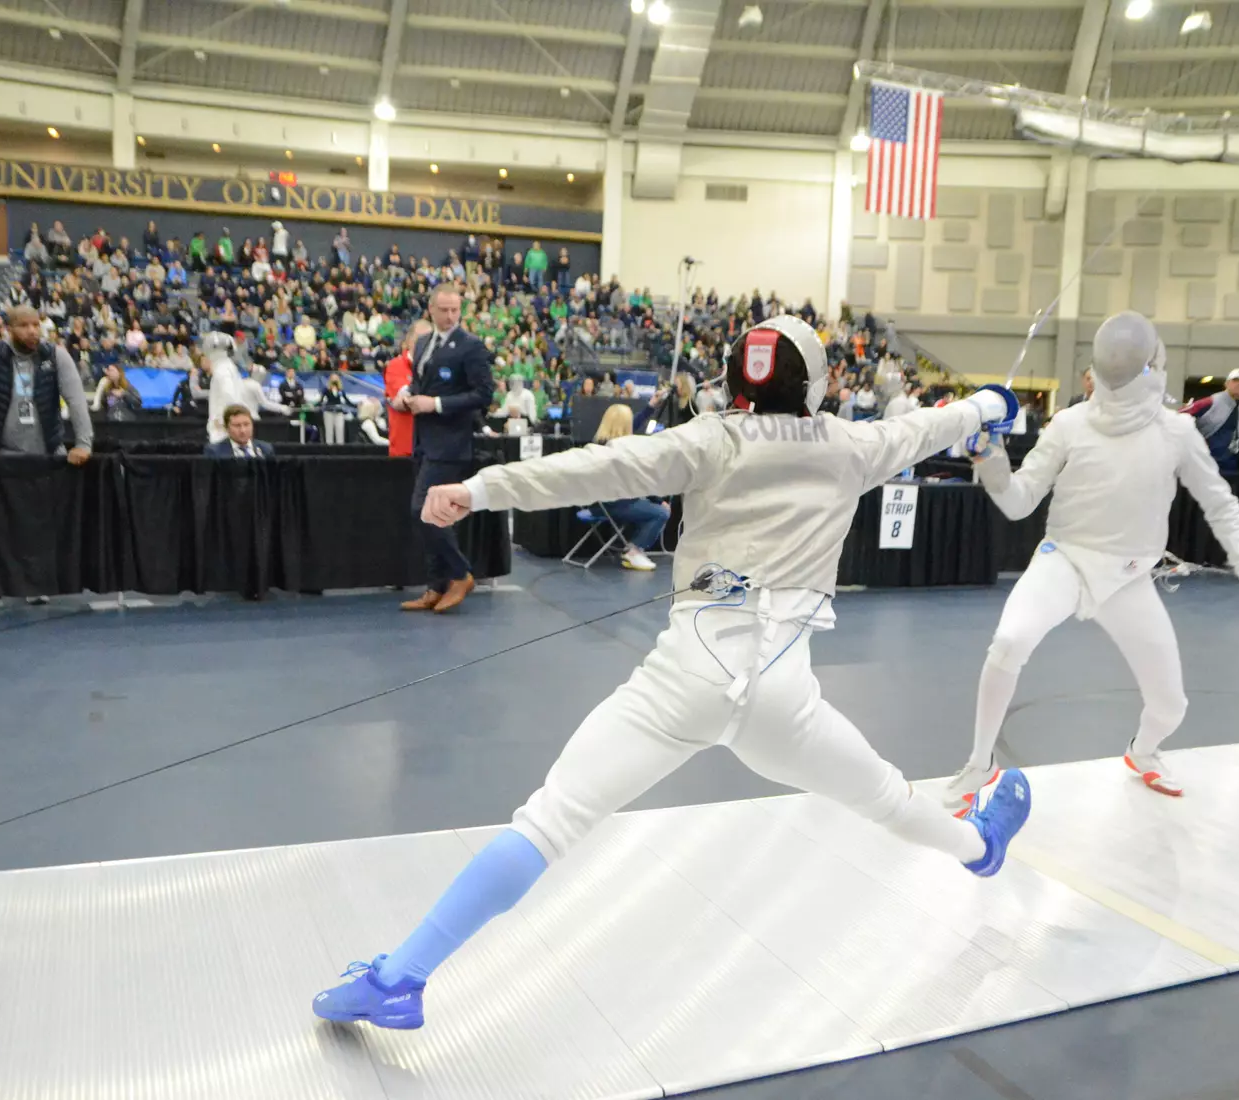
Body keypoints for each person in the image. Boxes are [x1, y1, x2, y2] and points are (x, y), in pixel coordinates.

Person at [312, 315, 1033, 1030]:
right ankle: (979, 848)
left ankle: (400, 977)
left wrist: (478, 490)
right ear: (813, 383)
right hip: (783, 701)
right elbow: (947, 421)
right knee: (885, 796)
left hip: (682, 681)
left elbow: (595, 467)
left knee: (549, 822)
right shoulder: (854, 444)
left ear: (735, 378)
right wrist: (992, 406)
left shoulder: (709, 440)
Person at [943, 313, 1239, 810]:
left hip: (1128, 578)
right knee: (1010, 641)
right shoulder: (1069, 424)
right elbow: (1019, 503)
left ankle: (1143, 752)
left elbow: (1220, 502)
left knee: (1171, 705)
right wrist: (993, 461)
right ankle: (979, 765)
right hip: (1064, 560)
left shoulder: (1177, 432)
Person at [392, 286, 492, 613]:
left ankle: (461, 574)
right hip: (423, 440)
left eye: (455, 311)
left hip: (452, 443)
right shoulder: (422, 343)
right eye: (444, 310)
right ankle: (435, 586)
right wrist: (408, 396)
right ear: (431, 309)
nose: (450, 317)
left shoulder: (471, 346)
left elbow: (483, 395)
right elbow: (422, 384)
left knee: (421, 509)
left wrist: (434, 404)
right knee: (432, 513)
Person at [0, 305, 93, 466]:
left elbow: (77, 402)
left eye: (36, 324)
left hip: (49, 457)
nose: (32, 331)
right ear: (9, 329)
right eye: (24, 325)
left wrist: (83, 444)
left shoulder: (56, 356)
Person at [591, 403, 670, 570]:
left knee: (650, 507)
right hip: (615, 505)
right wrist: (658, 500)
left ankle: (634, 548)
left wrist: (650, 406)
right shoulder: (622, 452)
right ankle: (634, 551)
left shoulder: (599, 443)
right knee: (661, 513)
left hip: (597, 504)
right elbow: (640, 481)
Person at [1180, 368, 1239, 480]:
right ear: (1226, 383)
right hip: (1208, 465)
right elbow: (1178, 417)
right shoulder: (1210, 402)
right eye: (1234, 381)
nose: (1238, 384)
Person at [383, 321, 427, 459]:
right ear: (408, 341)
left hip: (432, 450)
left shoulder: (436, 367)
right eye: (420, 339)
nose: (424, 344)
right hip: (404, 449)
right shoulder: (395, 366)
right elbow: (403, 399)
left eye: (429, 340)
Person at [204, 405, 274, 459]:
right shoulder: (215, 451)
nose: (243, 430)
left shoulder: (266, 449)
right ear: (227, 428)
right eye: (237, 426)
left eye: (246, 424)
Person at [319, 374, 352, 445]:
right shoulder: (326, 389)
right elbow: (321, 401)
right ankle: (329, 448)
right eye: (333, 378)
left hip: (339, 412)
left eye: (336, 378)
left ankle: (340, 448)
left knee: (340, 430)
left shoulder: (341, 390)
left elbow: (347, 400)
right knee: (329, 431)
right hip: (328, 412)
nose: (334, 379)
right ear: (330, 379)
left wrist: (356, 405)